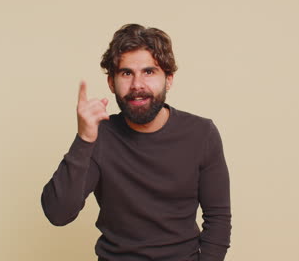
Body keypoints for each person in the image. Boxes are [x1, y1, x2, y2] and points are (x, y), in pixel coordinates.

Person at [41, 24, 231, 261]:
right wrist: (84, 139)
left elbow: (218, 219)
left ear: (168, 79)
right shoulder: (99, 136)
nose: (137, 85)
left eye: (149, 72)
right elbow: (58, 213)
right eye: (126, 73)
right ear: (111, 82)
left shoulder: (202, 134)